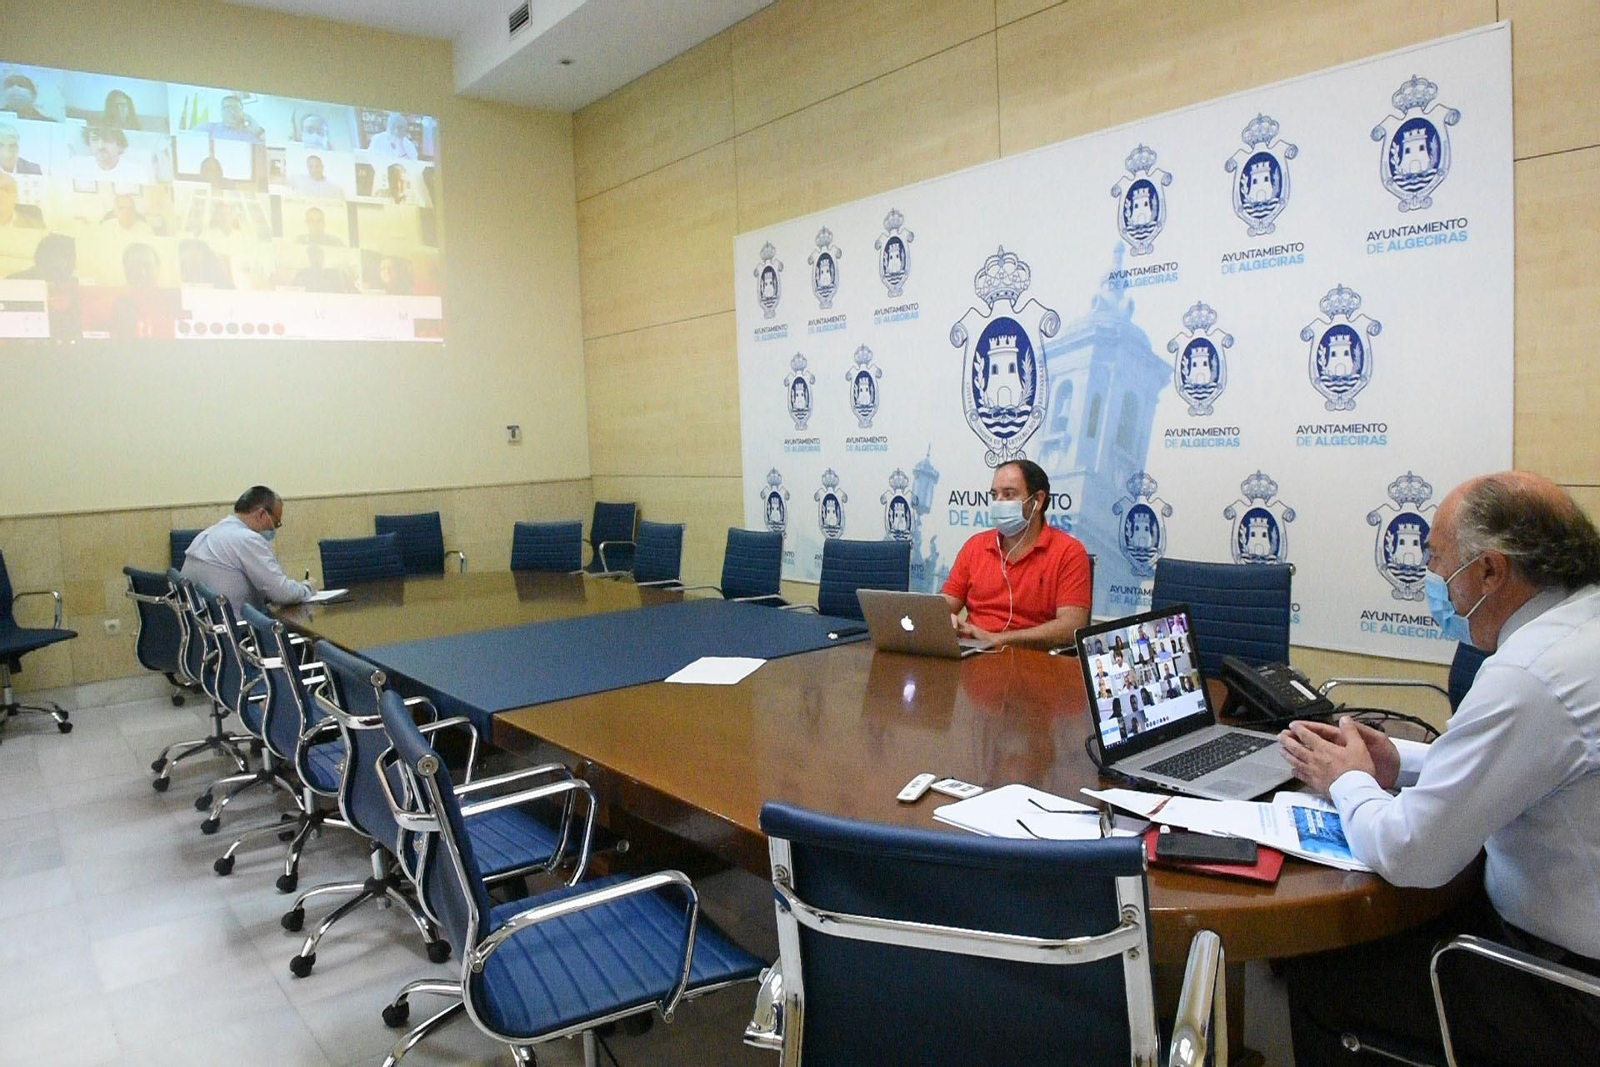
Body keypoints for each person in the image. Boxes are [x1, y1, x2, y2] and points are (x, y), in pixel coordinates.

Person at [1278, 471, 1600, 1066]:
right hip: (1555, 940)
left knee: (1312, 970)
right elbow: (1523, 764)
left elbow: (1410, 853)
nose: (1434, 586)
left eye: (1439, 564)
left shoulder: (1529, 674)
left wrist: (1343, 778)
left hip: (1564, 992)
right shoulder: (1580, 625)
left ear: (1490, 572)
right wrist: (1396, 762)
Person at [941, 459, 1092, 649]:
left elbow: (1071, 627)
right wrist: (942, 618)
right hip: (972, 653)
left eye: (1009, 494)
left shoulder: (1069, 552)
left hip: (1033, 662)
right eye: (995, 495)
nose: (999, 502)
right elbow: (945, 605)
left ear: (1037, 500)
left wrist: (997, 639)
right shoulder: (975, 546)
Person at [181, 487, 314, 611]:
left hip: (204, 626)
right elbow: (281, 593)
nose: (274, 528)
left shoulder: (211, 532)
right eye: (276, 523)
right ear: (262, 514)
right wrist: (307, 588)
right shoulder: (248, 540)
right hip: (238, 629)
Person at [195, 94, 264, 142]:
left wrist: (257, 130)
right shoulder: (208, 128)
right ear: (221, 111)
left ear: (242, 112)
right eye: (227, 107)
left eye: (235, 108)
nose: (231, 111)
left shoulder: (250, 135)